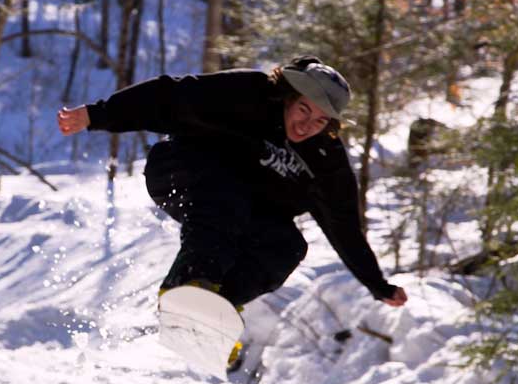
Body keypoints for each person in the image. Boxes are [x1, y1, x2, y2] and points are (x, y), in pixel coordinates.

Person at [57, 56, 407, 311]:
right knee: (229, 196)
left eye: (319, 121)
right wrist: (97, 115)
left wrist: (377, 285)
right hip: (180, 172)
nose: (306, 126)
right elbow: (169, 97)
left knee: (287, 245)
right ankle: (190, 285)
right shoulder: (248, 93)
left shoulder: (325, 160)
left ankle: (215, 309)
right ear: (287, 96)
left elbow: (343, 224)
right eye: (303, 110)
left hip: (241, 209)